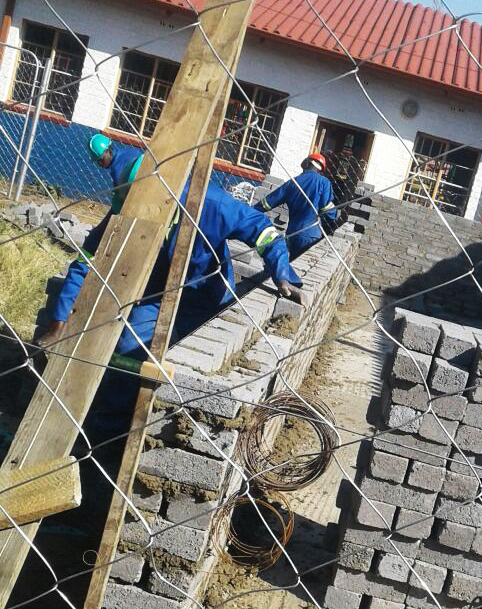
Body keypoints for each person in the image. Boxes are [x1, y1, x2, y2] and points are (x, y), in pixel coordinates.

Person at [36, 141, 304, 434]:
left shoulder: (212, 204)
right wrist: (59, 320)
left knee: (186, 363)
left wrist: (282, 274)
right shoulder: (124, 210)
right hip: (157, 292)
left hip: (207, 294)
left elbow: (264, 232)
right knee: (130, 349)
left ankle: (169, 427)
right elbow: (86, 261)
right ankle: (110, 429)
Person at [257, 153, 337, 259]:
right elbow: (327, 208)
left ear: (306, 163)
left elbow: (267, 203)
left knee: (292, 262)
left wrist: (250, 210)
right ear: (320, 169)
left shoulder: (293, 182)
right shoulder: (323, 182)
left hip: (292, 234)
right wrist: (336, 217)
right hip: (311, 234)